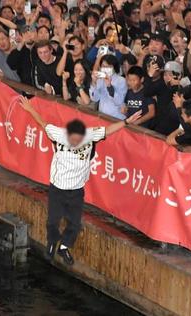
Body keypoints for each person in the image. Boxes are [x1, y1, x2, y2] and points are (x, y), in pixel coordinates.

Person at [19, 95, 142, 265]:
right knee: (53, 220)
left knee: (74, 223)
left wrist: (126, 122)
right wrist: (30, 109)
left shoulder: (90, 136)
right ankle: (52, 242)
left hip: (76, 188)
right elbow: (43, 123)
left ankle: (64, 247)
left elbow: (109, 130)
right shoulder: (59, 134)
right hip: (57, 186)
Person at [90, 54, 127, 119]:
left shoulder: (121, 80)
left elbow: (119, 101)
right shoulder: (99, 79)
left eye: (108, 67)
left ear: (114, 67)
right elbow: (95, 98)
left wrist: (109, 86)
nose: (105, 69)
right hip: (102, 115)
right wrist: (94, 83)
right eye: (103, 66)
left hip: (117, 117)